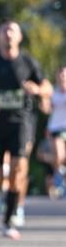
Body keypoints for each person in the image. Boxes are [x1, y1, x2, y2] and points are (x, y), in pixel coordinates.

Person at [0, 20, 51, 239]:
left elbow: (47, 87)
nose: (8, 34)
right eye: (4, 30)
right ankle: (7, 197)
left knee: (18, 169)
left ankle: (10, 217)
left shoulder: (28, 61)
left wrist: (37, 89)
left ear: (19, 37)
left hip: (21, 121)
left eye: (12, 30)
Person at [46, 65, 66, 196]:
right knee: (59, 155)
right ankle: (58, 176)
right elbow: (47, 109)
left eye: (64, 75)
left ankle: (62, 176)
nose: (62, 77)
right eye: (60, 75)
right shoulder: (53, 92)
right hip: (55, 128)